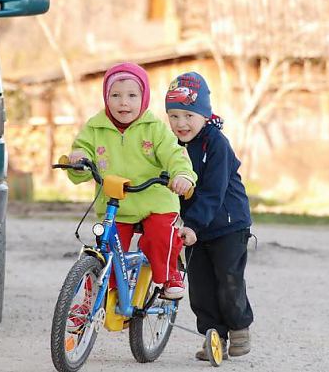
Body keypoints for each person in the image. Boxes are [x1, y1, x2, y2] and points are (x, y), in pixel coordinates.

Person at [65, 62, 197, 301]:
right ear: (106, 98)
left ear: (144, 98)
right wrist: (79, 159)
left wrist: (182, 176)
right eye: (115, 95)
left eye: (132, 95)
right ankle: (93, 301)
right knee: (105, 253)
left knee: (160, 235)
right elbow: (82, 152)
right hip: (117, 204)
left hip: (155, 199)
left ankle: (170, 275)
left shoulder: (155, 128)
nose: (123, 102)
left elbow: (174, 154)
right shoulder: (95, 128)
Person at [165, 72, 254, 360]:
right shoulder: (171, 147)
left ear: (204, 115)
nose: (181, 123)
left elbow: (214, 191)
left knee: (228, 280)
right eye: (174, 116)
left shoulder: (216, 144)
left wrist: (192, 223)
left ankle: (239, 327)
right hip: (195, 228)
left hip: (228, 225)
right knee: (201, 289)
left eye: (189, 115)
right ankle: (213, 337)